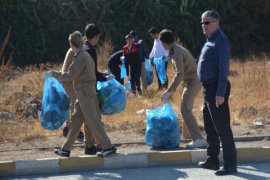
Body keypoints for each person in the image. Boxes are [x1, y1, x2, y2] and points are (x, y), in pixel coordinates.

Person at [50, 31, 116, 157]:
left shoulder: (79, 57)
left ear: (71, 44)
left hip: (84, 91)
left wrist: (54, 74)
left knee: (92, 120)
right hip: (85, 92)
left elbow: (69, 77)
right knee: (76, 121)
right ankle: (66, 149)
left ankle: (108, 147)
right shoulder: (85, 54)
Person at [197, 10, 237, 175]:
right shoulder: (210, 40)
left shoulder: (220, 40)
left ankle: (230, 165)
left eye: (207, 23)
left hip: (216, 89)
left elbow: (223, 69)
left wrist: (220, 93)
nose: (203, 26)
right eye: (202, 23)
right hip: (208, 89)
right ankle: (212, 160)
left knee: (222, 128)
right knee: (210, 127)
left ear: (216, 22)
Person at [159, 29, 208, 149]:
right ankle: (188, 137)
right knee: (186, 108)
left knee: (185, 109)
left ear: (164, 43)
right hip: (191, 81)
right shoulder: (175, 50)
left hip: (193, 81)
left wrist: (169, 91)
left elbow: (179, 74)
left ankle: (198, 139)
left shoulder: (176, 52)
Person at [61, 48, 84, 142]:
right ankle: (72, 129)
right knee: (75, 103)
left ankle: (69, 127)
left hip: (67, 79)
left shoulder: (73, 50)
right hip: (68, 79)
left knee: (73, 103)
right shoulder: (75, 50)